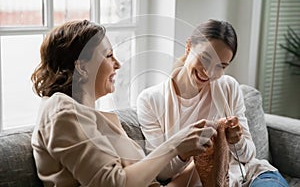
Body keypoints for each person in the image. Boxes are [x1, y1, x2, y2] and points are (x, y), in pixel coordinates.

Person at [30, 20, 217, 187]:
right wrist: (174, 145)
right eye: (109, 55)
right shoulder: (62, 111)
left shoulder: (95, 118)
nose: (118, 64)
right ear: (82, 67)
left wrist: (201, 158)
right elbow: (112, 183)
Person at [137, 19, 289, 187]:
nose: (209, 72)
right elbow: (161, 172)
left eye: (221, 66)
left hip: (252, 177)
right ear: (189, 47)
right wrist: (183, 152)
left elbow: (248, 157)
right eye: (205, 58)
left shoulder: (228, 87)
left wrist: (236, 141)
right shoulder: (150, 100)